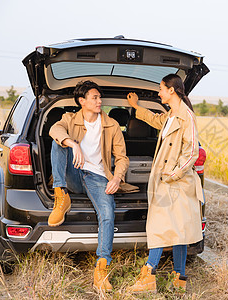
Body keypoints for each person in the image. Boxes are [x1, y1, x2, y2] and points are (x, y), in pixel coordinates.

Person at [48, 80, 135, 292]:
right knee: (58, 143)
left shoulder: (111, 125)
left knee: (107, 212)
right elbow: (54, 129)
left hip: (98, 177)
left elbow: (122, 158)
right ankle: (61, 196)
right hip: (73, 173)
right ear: (82, 101)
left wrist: (116, 178)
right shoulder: (69, 119)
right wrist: (73, 143)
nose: (99, 101)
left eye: (99, 97)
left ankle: (102, 268)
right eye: (94, 98)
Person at [127, 74, 204, 293]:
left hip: (176, 183)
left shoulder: (186, 117)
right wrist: (136, 106)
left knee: (159, 227)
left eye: (161, 88)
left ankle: (148, 275)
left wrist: (172, 174)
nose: (159, 92)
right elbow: (156, 121)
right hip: (168, 182)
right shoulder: (171, 114)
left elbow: (192, 152)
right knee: (179, 230)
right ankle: (179, 280)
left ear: (172, 90)